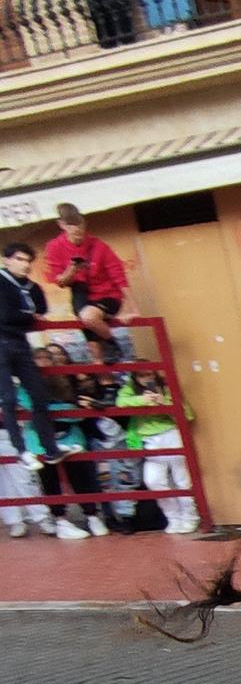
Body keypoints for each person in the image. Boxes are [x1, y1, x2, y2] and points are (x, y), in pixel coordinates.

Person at [25, 345, 106, 538]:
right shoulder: (25, 386)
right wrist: (60, 411)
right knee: (48, 477)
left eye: (46, 357)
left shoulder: (63, 380)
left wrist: (52, 411)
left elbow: (75, 412)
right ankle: (60, 519)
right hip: (40, 440)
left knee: (80, 475)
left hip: (70, 438)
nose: (43, 362)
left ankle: (92, 515)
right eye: (38, 358)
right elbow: (32, 408)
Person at [0, 241, 63, 481]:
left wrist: (23, 316)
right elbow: (5, 315)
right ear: (7, 260)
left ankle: (50, 448)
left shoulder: (32, 286)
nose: (25, 264)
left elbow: (42, 308)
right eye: (19, 259)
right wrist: (28, 315)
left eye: (28, 260)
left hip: (20, 344)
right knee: (8, 398)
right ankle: (21, 450)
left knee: (39, 394)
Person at [42, 204, 129, 359]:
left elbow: (119, 276)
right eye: (71, 225)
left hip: (107, 294)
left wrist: (132, 307)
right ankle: (104, 365)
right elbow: (60, 282)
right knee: (90, 336)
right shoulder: (54, 247)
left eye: (79, 224)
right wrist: (72, 269)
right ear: (61, 225)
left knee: (88, 317)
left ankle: (112, 344)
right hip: (80, 292)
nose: (76, 229)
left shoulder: (99, 245)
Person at [119, 370, 196, 534]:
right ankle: (173, 517)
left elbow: (187, 414)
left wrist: (164, 402)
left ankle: (190, 517)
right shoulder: (130, 388)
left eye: (150, 374)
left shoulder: (166, 387)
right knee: (153, 481)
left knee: (182, 479)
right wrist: (142, 400)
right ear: (135, 377)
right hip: (149, 440)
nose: (147, 378)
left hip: (171, 433)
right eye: (142, 375)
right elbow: (120, 402)